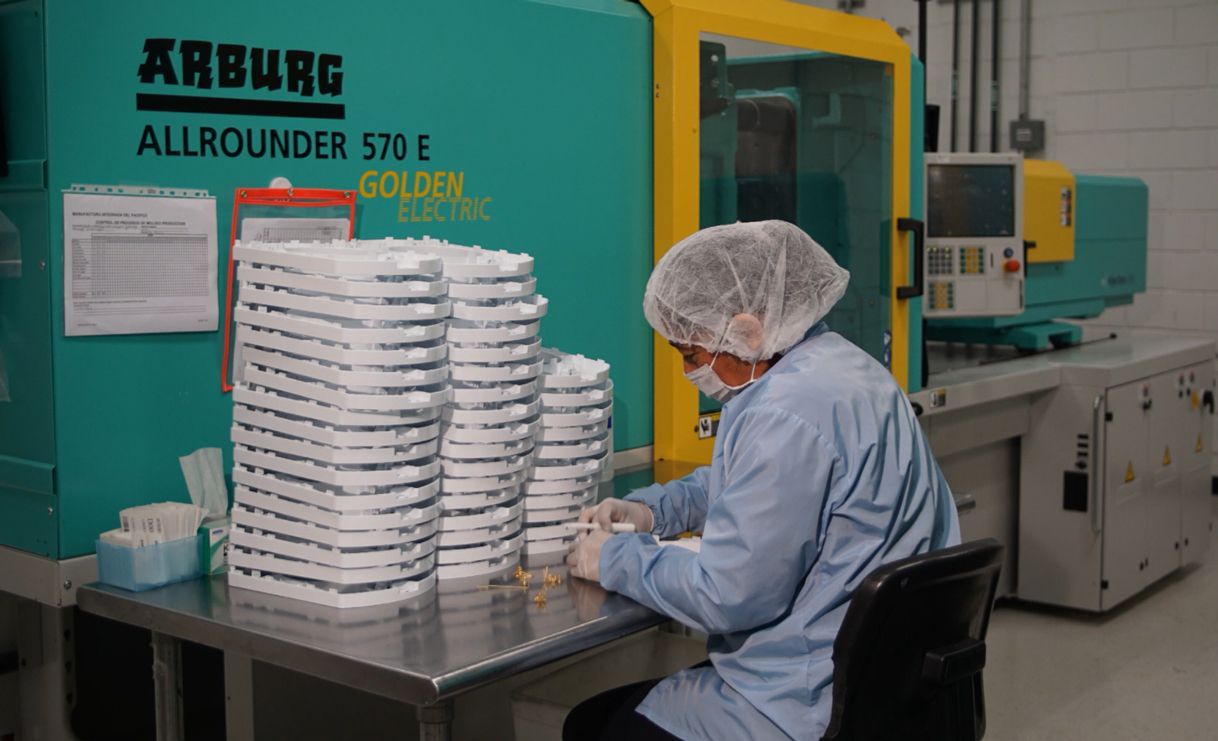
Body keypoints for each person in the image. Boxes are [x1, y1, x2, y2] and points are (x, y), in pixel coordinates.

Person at [563, 220, 961, 741]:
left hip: (805, 696)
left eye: (692, 355)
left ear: (748, 332)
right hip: (888, 682)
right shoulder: (842, 368)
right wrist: (654, 511)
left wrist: (614, 559)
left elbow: (725, 595)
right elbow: (752, 483)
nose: (689, 373)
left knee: (592, 726)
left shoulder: (786, 411)